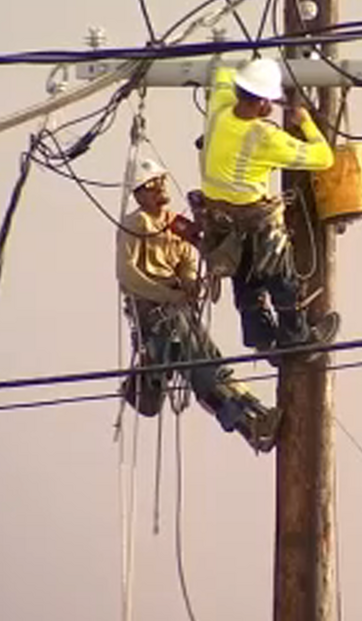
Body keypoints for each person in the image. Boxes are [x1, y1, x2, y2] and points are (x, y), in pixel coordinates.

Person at [117, 157, 281, 453]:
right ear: (139, 193)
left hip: (179, 310)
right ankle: (248, 425)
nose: (160, 189)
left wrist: (190, 282)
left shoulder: (175, 225)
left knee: (213, 366)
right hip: (157, 317)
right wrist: (169, 295)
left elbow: (186, 261)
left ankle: (254, 416)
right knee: (203, 371)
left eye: (161, 183)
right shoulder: (135, 225)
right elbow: (128, 276)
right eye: (153, 186)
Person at [196, 57, 339, 356]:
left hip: (221, 224)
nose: (272, 107)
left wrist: (249, 61)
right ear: (261, 102)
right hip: (257, 224)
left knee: (246, 282)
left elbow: (222, 72)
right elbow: (324, 158)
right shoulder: (265, 137)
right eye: (270, 101)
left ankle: (262, 340)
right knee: (281, 282)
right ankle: (296, 341)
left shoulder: (219, 111)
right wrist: (306, 122)